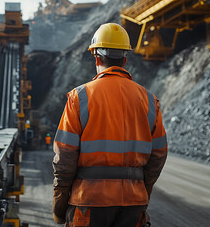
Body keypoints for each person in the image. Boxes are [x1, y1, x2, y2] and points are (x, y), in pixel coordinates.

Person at [52, 23, 168, 227]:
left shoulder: (79, 98)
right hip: (133, 204)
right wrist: (142, 192)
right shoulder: (150, 100)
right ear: (124, 59)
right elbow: (158, 155)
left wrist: (59, 205)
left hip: (89, 202)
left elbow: (64, 156)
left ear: (96, 57)